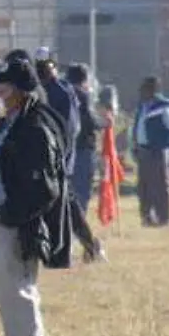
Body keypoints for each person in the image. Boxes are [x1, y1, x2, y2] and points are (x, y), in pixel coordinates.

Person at [0, 53, 71, 336]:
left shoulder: (35, 128)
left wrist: (12, 214)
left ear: (20, 90)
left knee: (20, 296)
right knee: (8, 299)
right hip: (1, 221)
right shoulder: (13, 123)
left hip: (18, 225)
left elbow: (43, 187)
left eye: (2, 89)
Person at [50, 60, 105, 263]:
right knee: (79, 198)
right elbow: (89, 121)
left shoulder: (57, 93)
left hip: (61, 152)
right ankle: (76, 238)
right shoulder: (81, 95)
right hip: (82, 151)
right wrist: (105, 121)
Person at [133, 77, 169, 228]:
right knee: (144, 186)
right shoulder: (142, 107)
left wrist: (167, 146)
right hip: (143, 151)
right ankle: (147, 217)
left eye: (145, 89)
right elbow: (136, 128)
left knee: (161, 186)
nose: (141, 93)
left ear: (152, 91)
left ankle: (164, 218)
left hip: (158, 151)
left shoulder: (163, 107)